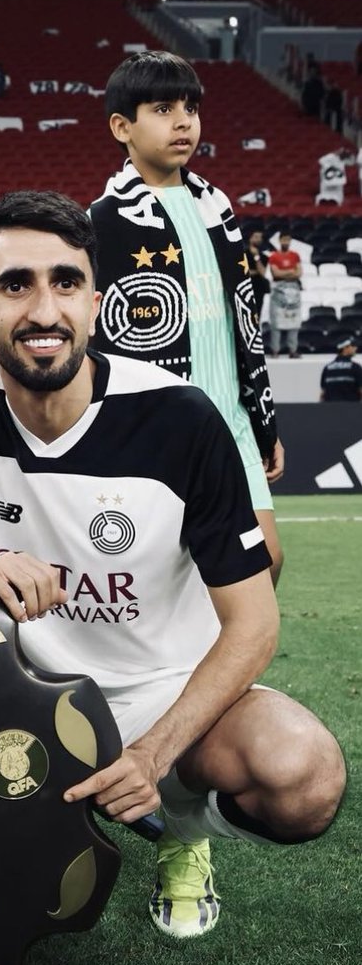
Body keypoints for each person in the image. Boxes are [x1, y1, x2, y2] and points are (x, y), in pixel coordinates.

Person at [0, 189, 345, 944]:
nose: (43, 309)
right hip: (9, 693)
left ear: (95, 304)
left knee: (305, 777)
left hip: (163, 696)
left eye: (65, 283)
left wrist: (151, 753)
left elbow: (255, 623)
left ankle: (177, 831)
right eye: (15, 284)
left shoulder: (178, 417)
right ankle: (29, 814)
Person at [89, 51, 284, 584]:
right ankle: (183, 666)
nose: (183, 121)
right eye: (163, 108)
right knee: (166, 573)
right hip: (159, 422)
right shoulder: (102, 221)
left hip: (232, 419)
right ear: (121, 127)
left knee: (267, 560)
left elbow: (244, 320)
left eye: (191, 108)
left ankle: (221, 666)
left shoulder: (216, 206)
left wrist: (263, 421)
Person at [266, 232, 303, 359]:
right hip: (279, 291)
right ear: (280, 241)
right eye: (283, 240)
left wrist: (285, 273)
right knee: (276, 321)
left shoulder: (295, 256)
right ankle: (275, 350)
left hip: (294, 291)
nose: (285, 242)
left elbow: (299, 273)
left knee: (294, 321)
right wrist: (290, 271)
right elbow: (276, 274)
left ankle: (293, 350)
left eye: (288, 239)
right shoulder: (274, 256)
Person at [320, 336, 362, 401]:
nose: (355, 348)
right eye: (353, 346)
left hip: (330, 409)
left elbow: (323, 394)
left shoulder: (327, 368)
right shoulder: (355, 367)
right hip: (351, 409)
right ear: (345, 348)